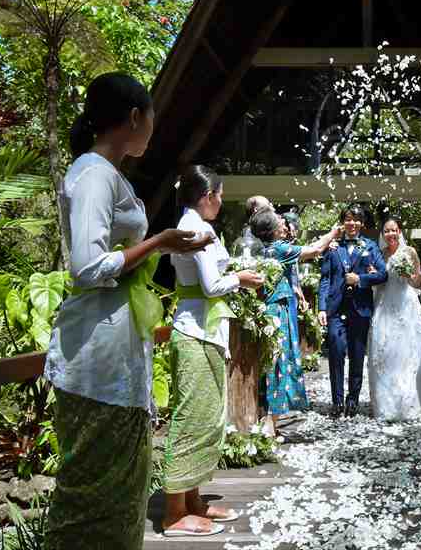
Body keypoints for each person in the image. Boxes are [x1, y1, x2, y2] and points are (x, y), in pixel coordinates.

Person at [44, 73, 213, 550]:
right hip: (96, 353)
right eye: (153, 117)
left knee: (118, 491)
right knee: (93, 491)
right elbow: (87, 267)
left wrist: (159, 246)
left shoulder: (104, 173)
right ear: (136, 116)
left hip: (114, 346)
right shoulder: (95, 173)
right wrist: (159, 241)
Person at [161, 166, 264, 537]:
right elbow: (209, 285)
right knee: (192, 418)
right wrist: (242, 278)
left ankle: (192, 500)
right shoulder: (197, 227)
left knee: (205, 417)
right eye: (219, 195)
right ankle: (173, 513)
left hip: (202, 332)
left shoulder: (194, 223)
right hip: (195, 332)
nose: (221, 202)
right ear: (208, 196)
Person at [251, 209, 340, 433]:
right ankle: (271, 422)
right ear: (272, 229)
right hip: (279, 312)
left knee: (269, 362)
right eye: (280, 222)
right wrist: (333, 232)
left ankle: (266, 418)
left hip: (269, 310)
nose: (284, 224)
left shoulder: (263, 249)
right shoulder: (279, 249)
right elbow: (316, 249)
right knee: (280, 362)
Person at [369, 216, 421, 420]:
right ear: (383, 234)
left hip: (406, 305)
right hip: (385, 305)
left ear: (399, 232)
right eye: (387, 231)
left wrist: (408, 275)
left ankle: (411, 403)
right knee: (385, 352)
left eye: (394, 230)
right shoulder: (380, 254)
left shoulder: (410, 252)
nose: (391, 234)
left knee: (408, 354)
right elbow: (377, 282)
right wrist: (373, 274)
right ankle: (387, 405)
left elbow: (418, 282)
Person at [317, 204, 388, 418]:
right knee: (336, 353)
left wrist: (361, 279)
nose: (352, 223)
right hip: (336, 309)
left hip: (361, 308)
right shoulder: (333, 247)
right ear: (343, 222)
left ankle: (353, 399)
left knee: (357, 356)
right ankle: (337, 401)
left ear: (362, 224)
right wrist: (321, 307)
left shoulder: (371, 246)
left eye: (356, 219)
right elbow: (325, 279)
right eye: (348, 219)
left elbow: (383, 274)